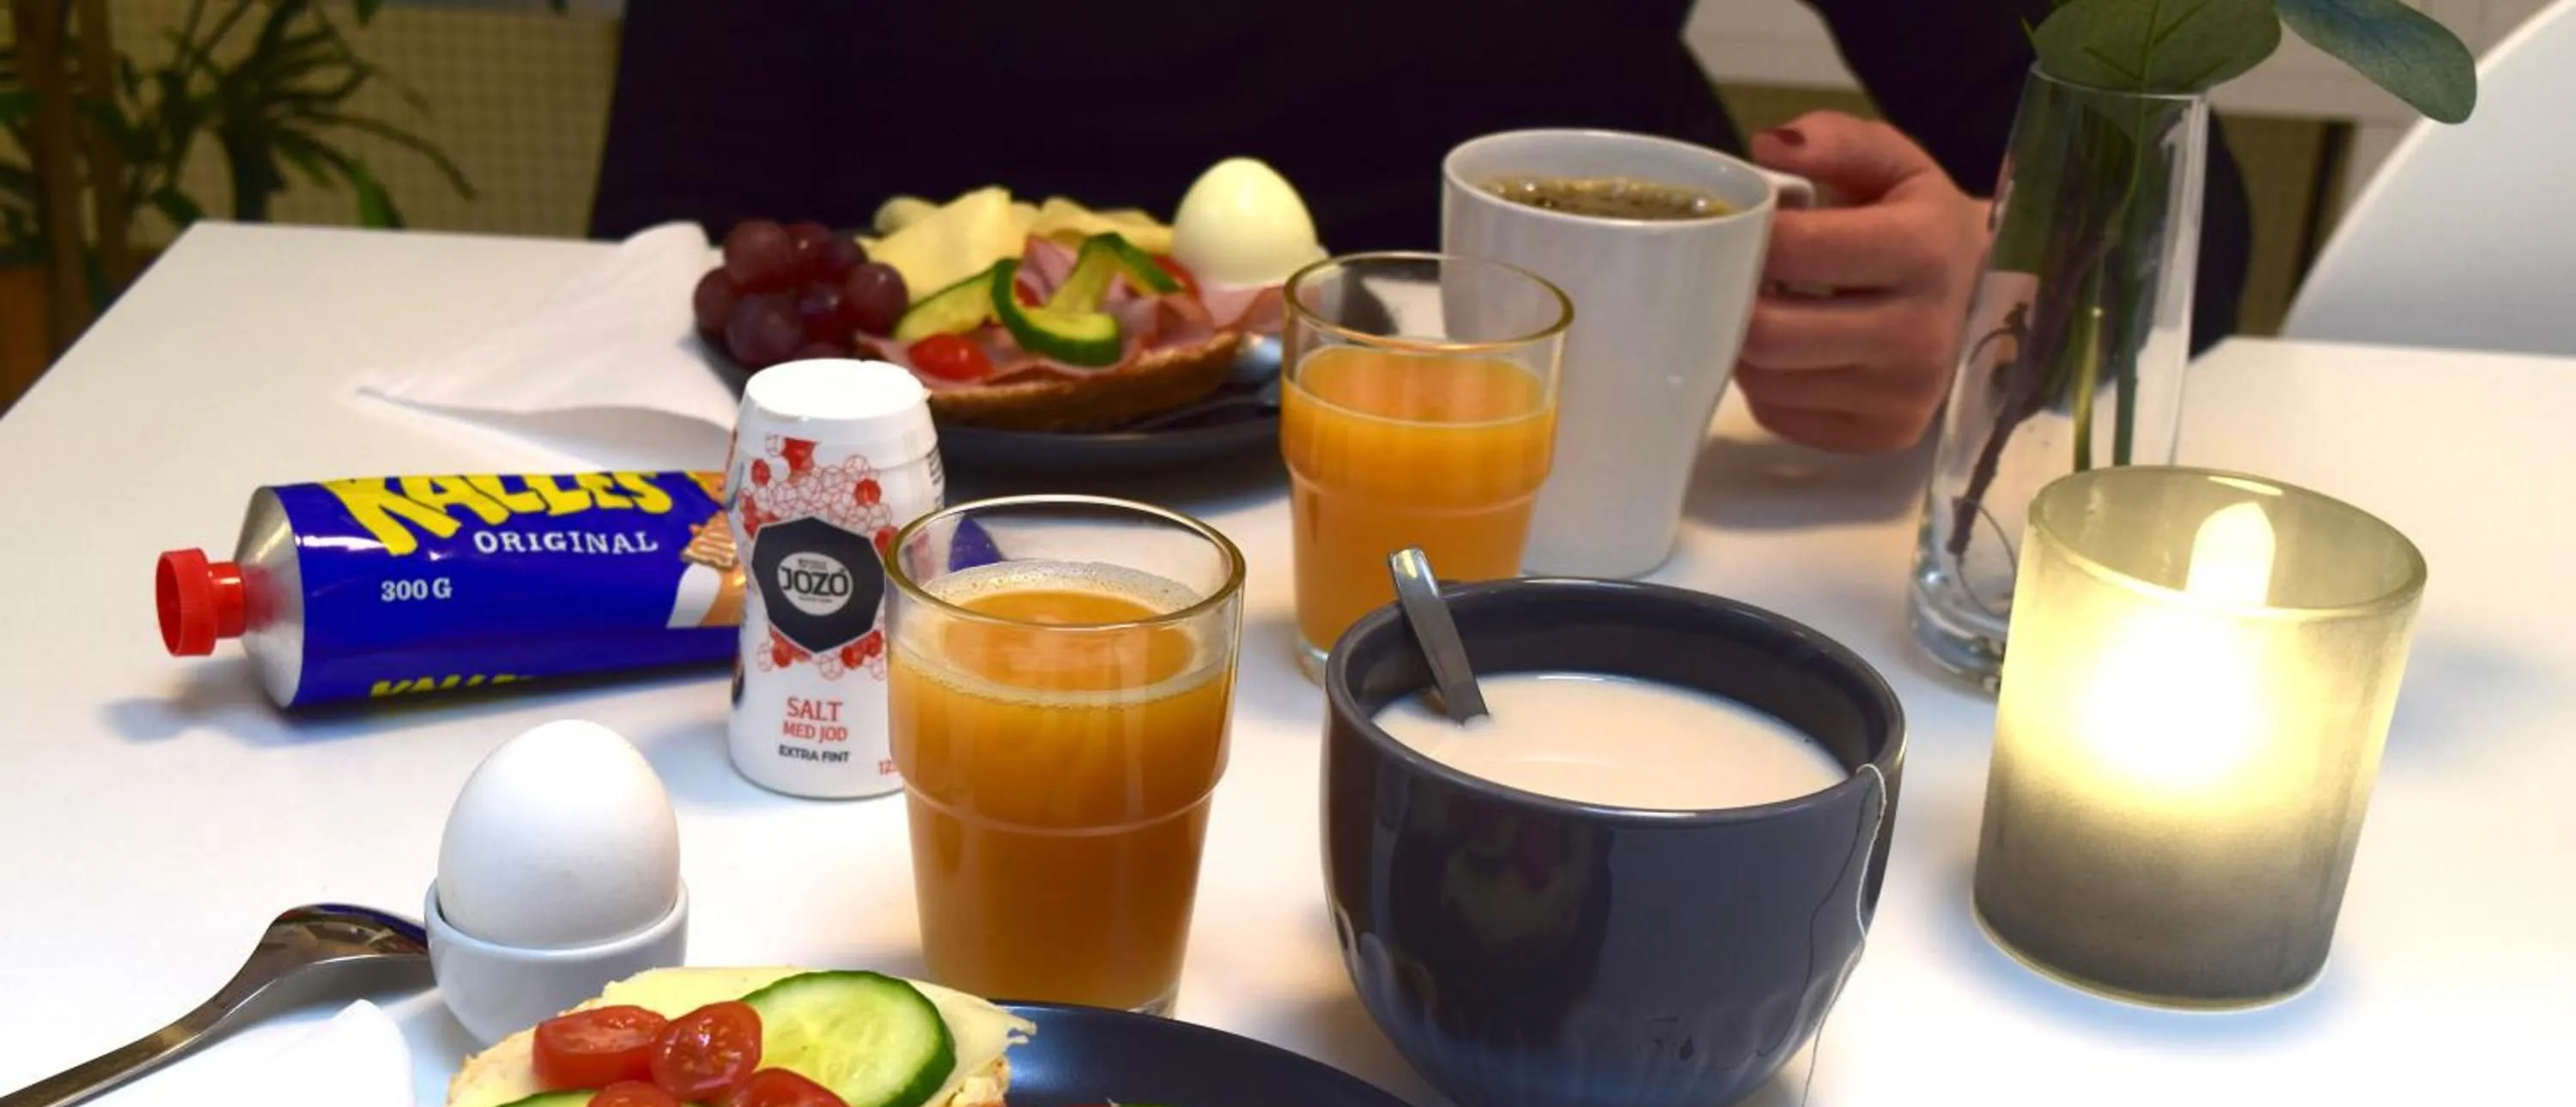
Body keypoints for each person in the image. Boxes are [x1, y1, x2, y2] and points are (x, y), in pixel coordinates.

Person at [591, 0, 2251, 456]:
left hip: (1577, 543)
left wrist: (1991, 287)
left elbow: (2198, 204)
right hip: (948, 560)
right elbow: (666, 239)